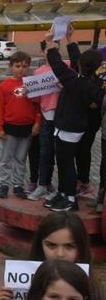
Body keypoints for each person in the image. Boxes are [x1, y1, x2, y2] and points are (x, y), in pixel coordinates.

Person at [45, 25, 106, 212]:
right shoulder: (91, 81)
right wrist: (70, 39)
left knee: (66, 164)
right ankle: (63, 194)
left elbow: (57, 65)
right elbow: (74, 60)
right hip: (71, 126)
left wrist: (50, 42)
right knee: (64, 162)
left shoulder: (77, 82)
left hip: (70, 127)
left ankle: (70, 199)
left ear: (82, 65)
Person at [0, 211, 92, 300]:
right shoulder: (21, 279)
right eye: (51, 245)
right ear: (40, 245)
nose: (60, 254)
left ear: (81, 247)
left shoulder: (91, 289)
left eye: (70, 246)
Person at [0, 51, 40, 200]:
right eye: (18, 66)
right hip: (10, 128)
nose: (21, 69)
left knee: (21, 159)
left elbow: (39, 106)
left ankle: (18, 185)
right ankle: (3, 185)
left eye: (25, 66)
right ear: (11, 66)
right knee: (6, 159)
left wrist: (37, 123)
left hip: (27, 128)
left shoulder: (32, 84)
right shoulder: (4, 86)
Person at [28, 40, 64, 202]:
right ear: (43, 52)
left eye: (56, 49)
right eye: (49, 50)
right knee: (45, 152)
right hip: (46, 117)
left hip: (64, 118)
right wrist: (31, 91)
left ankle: (63, 189)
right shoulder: (39, 72)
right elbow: (36, 99)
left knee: (63, 155)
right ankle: (43, 184)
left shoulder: (67, 66)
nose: (52, 53)